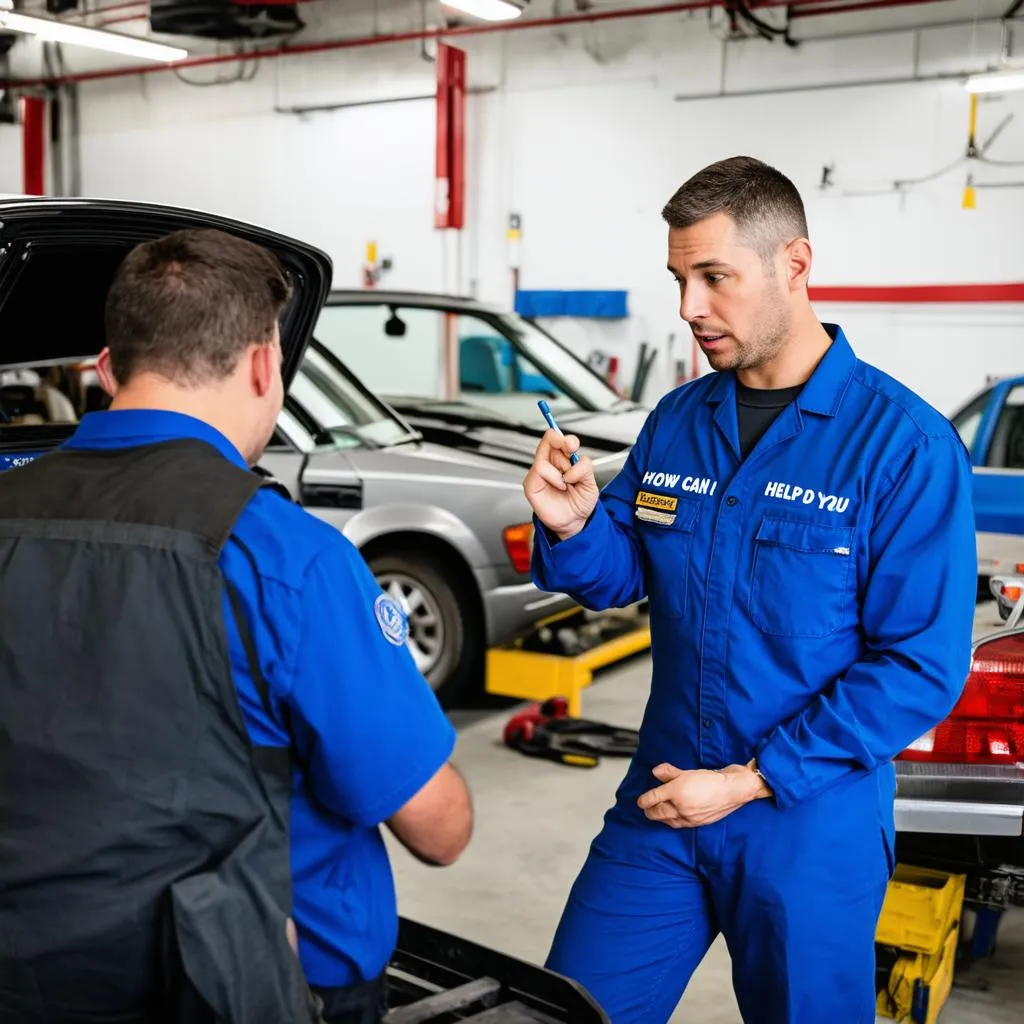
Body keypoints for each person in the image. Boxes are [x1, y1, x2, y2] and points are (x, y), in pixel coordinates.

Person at [523, 156, 976, 1023]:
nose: (690, 307)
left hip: (807, 822)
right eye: (679, 279)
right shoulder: (679, 423)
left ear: (795, 265)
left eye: (714, 277)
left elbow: (919, 665)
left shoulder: (904, 450)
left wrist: (753, 780)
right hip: (663, 799)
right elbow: (622, 573)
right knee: (567, 1008)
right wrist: (577, 525)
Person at [0, 228, 472, 1024]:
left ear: (108, 369)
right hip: (249, 987)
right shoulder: (289, 559)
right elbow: (437, 827)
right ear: (263, 364)